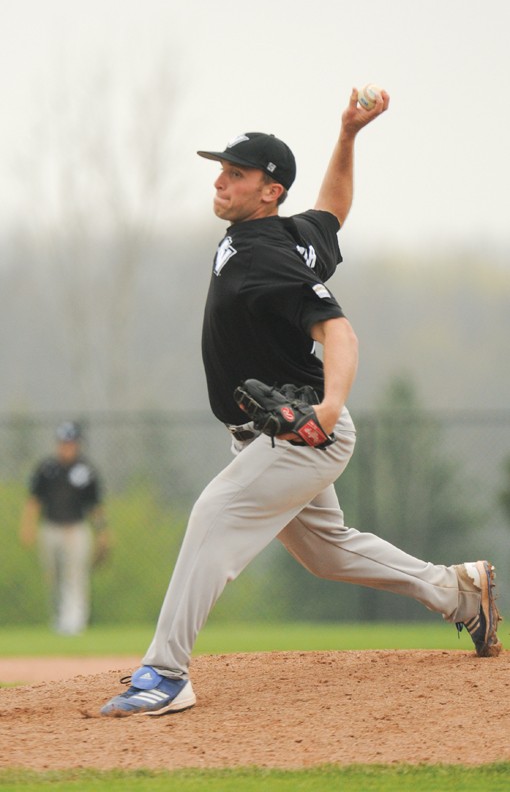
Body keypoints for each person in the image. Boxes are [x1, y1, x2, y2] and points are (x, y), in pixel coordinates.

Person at [101, 87, 502, 716]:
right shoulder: (289, 234)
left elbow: (337, 330)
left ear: (269, 189)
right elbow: (333, 211)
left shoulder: (267, 257)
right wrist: (348, 135)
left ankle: (165, 672)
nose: (221, 181)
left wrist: (330, 408)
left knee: (213, 515)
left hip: (300, 434)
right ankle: (459, 592)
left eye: (237, 173)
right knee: (327, 550)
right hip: (275, 431)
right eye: (221, 170)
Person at [20, 420, 109, 635]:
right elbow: (34, 500)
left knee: (75, 576)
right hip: (50, 528)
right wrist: (28, 525)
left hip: (76, 530)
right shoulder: (47, 468)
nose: (66, 447)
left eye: (70, 443)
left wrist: (103, 533)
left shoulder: (86, 471)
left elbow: (95, 507)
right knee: (53, 577)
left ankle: (74, 624)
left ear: (77, 444)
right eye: (63, 442)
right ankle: (59, 620)